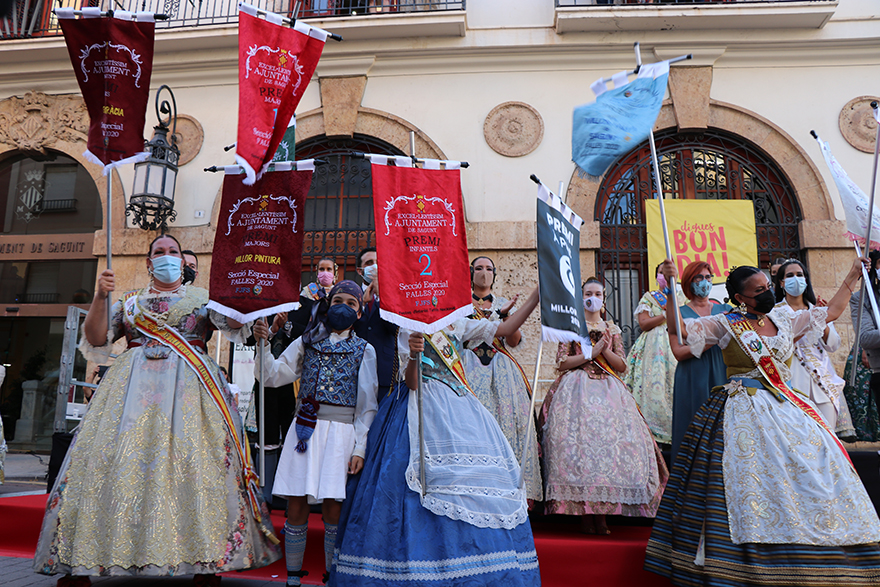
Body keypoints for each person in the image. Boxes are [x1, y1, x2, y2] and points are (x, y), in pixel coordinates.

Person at [34, 234, 280, 587]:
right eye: (159, 253)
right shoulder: (130, 302)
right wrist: (101, 297)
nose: (167, 257)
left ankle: (205, 559)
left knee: (196, 466)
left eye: (173, 252)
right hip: (130, 394)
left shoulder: (203, 300)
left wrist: (251, 303)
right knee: (113, 464)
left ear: (183, 261)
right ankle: (85, 558)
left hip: (191, 394)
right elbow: (99, 337)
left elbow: (235, 326)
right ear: (149, 263)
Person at [646, 257, 880, 587]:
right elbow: (679, 331)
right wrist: (670, 288)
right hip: (742, 410)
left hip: (787, 409)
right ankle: (742, 558)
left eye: (768, 287)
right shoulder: (724, 323)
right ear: (741, 298)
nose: (767, 293)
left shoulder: (784, 318)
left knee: (812, 471)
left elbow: (831, 313)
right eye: (759, 291)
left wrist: (853, 275)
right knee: (746, 480)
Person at [331, 289, 543, 586]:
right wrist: (415, 354)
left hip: (460, 407)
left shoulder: (459, 323)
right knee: (410, 487)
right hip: (418, 407)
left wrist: (537, 295)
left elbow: (506, 330)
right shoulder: (409, 325)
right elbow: (412, 381)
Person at [254, 280, 378, 587]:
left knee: (334, 506)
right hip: (304, 432)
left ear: (360, 313)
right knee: (296, 504)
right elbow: (272, 376)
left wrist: (360, 448)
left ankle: (330, 576)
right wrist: (264, 342)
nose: (344, 306)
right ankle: (293, 578)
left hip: (341, 435)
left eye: (352, 303)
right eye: (339, 299)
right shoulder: (306, 341)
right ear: (327, 303)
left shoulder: (366, 350)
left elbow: (367, 406)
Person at [541, 278, 668, 535]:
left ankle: (603, 515)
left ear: (604, 297)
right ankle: (584, 514)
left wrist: (602, 350)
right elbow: (562, 362)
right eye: (588, 293)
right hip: (576, 388)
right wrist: (589, 353)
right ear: (580, 297)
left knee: (611, 451)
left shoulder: (613, 328)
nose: (593, 297)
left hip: (609, 388)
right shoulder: (571, 326)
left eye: (597, 293)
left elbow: (621, 365)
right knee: (579, 449)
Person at [462, 256, 542, 502]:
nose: (484, 273)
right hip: (468, 367)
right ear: (470, 272)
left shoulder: (505, 303)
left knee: (509, 424)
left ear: (495, 275)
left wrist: (506, 315)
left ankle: (512, 491)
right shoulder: (460, 303)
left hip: (502, 371)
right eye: (479, 268)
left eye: (488, 269)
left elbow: (514, 340)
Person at [774, 258, 854, 435]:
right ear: (781, 282)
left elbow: (833, 345)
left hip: (823, 383)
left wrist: (821, 320)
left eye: (800, 275)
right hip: (794, 383)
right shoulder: (775, 313)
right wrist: (812, 318)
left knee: (828, 438)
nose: (796, 279)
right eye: (790, 275)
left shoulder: (816, 309)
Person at [667, 261, 730, 461]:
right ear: (689, 282)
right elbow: (678, 351)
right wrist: (714, 339)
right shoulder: (680, 313)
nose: (705, 282)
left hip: (723, 372)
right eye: (699, 278)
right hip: (693, 376)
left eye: (708, 277)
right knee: (694, 427)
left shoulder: (726, 309)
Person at [624, 265, 687, 445]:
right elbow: (644, 323)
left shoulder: (683, 296)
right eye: (661, 272)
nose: (664, 276)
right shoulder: (650, 297)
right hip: (653, 346)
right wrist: (666, 314)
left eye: (667, 272)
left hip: (677, 341)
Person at [354, 247, 398, 402]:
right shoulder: (352, 295)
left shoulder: (395, 295)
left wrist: (381, 298)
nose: (374, 266)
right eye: (369, 263)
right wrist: (363, 306)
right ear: (360, 271)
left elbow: (396, 330)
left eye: (377, 262)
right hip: (355, 371)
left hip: (385, 373)